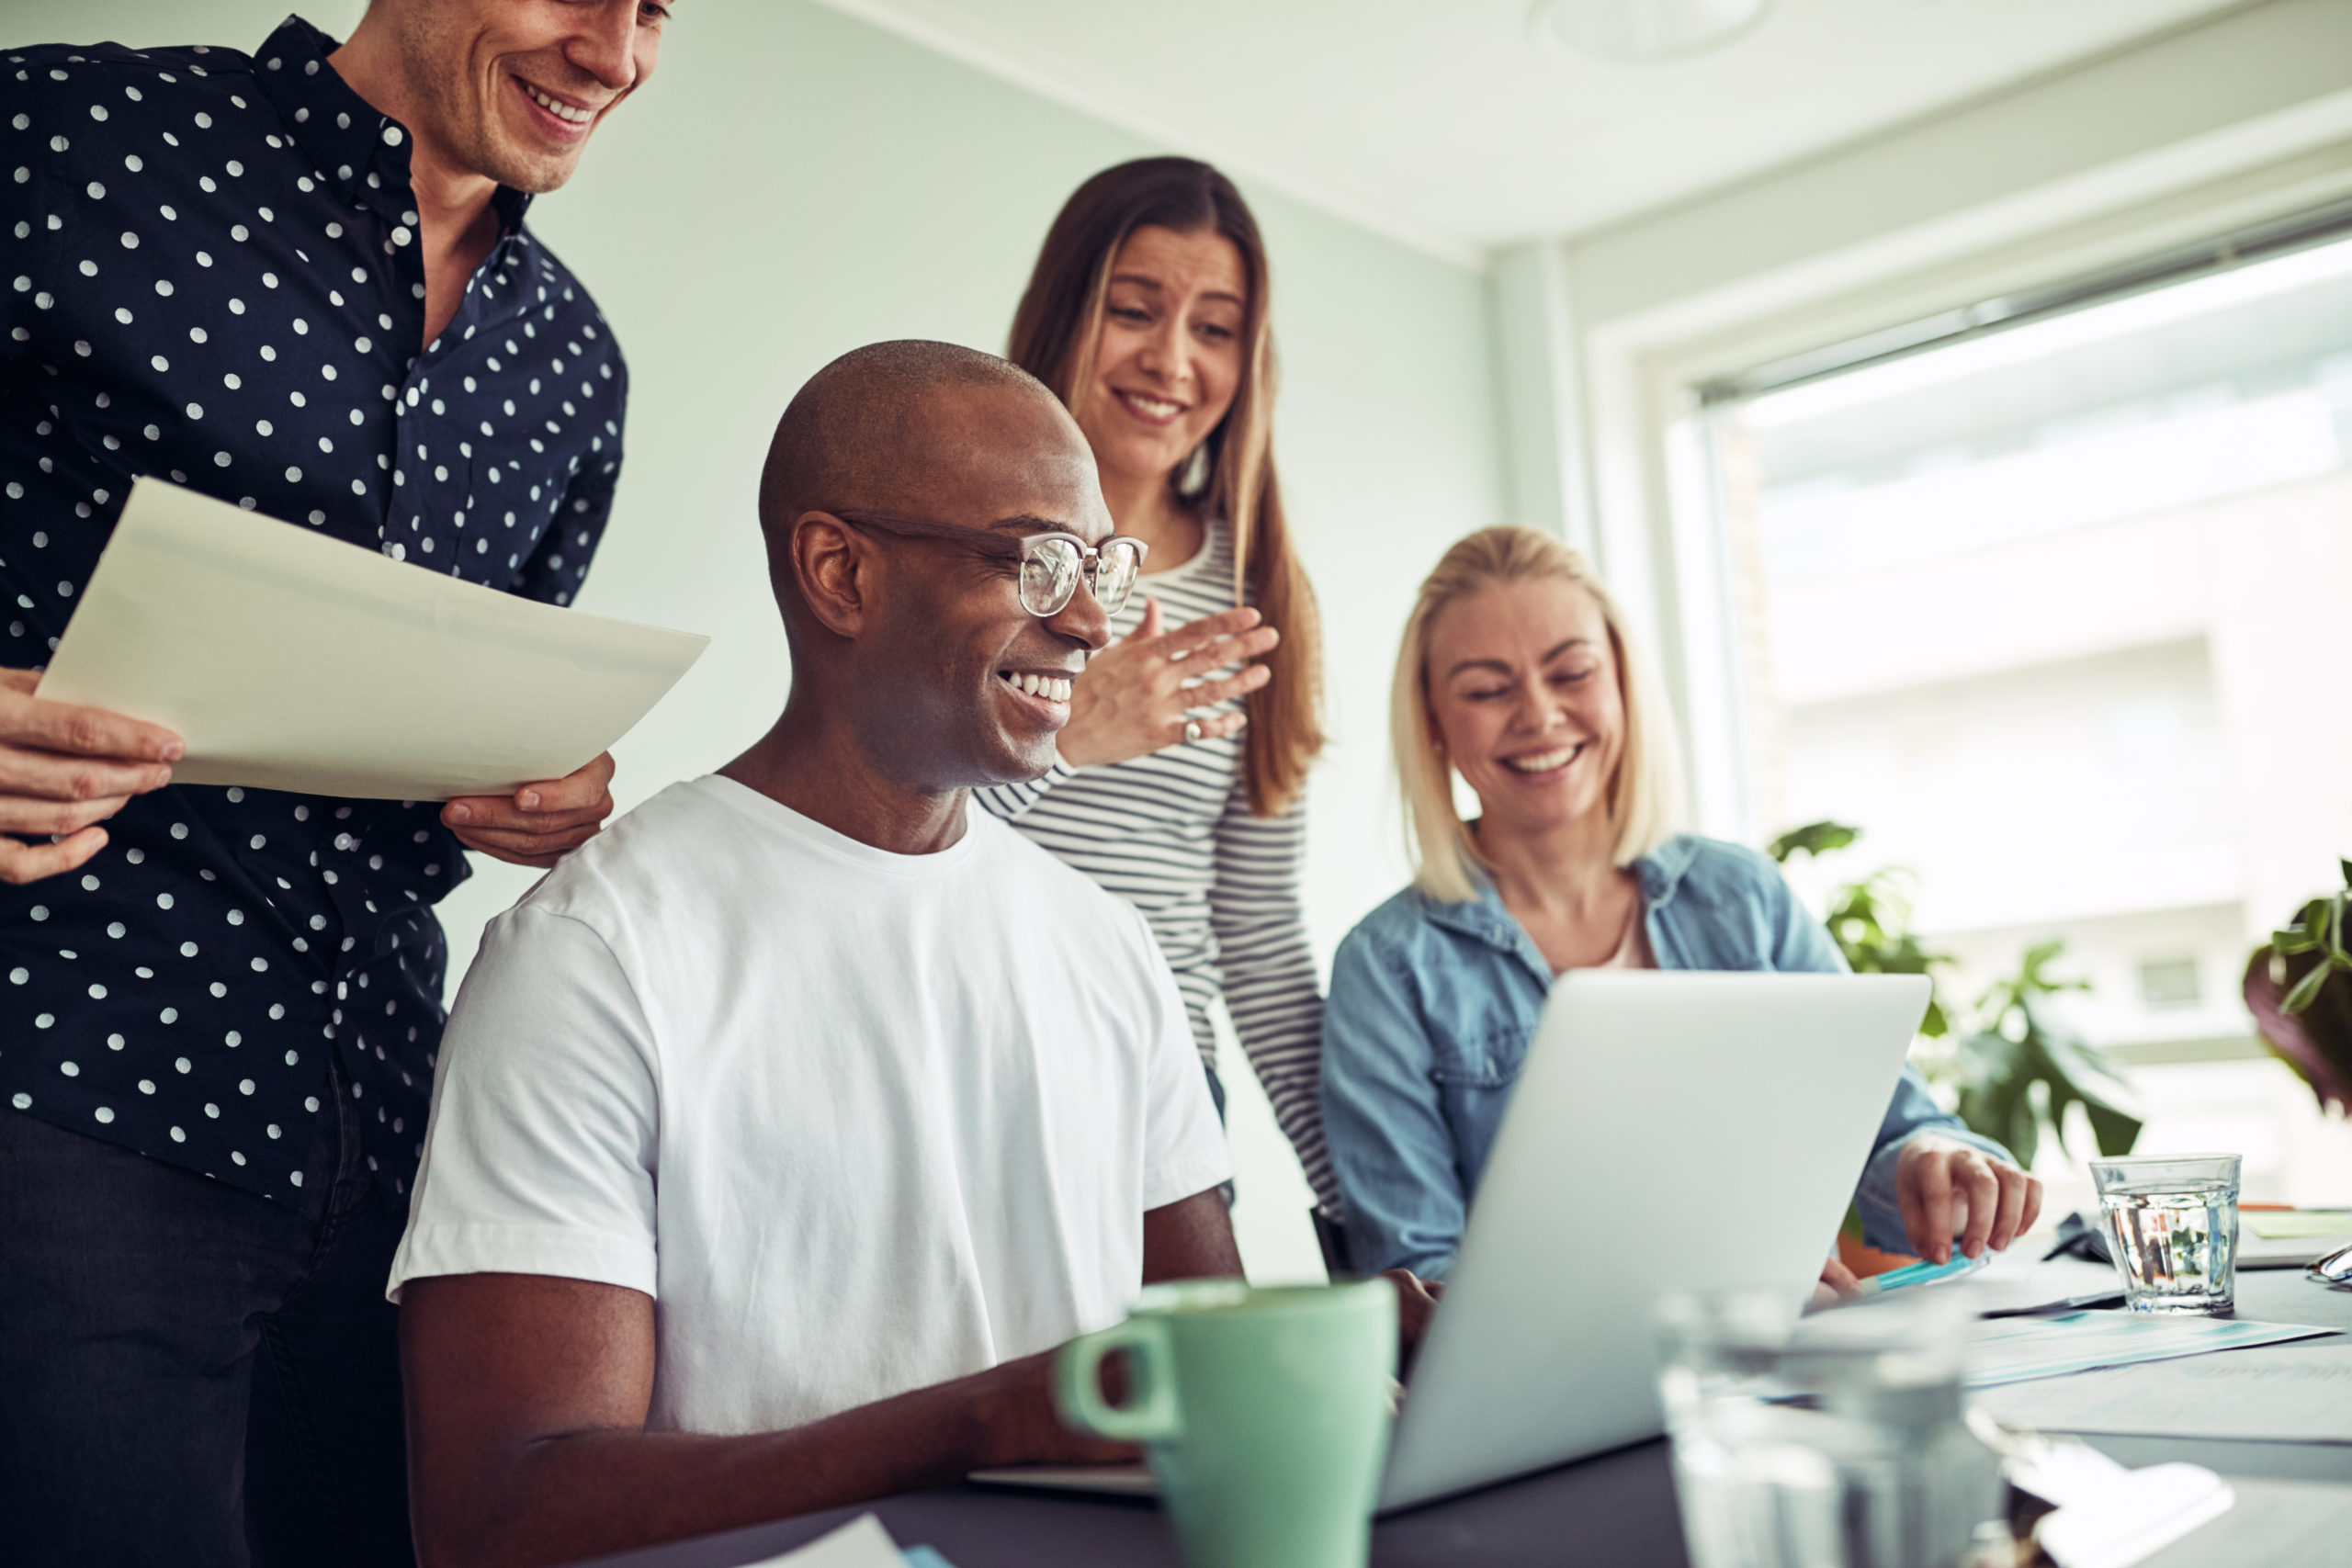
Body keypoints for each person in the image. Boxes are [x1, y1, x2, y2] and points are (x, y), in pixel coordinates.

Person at [390, 342, 1434, 1567]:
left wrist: (1353, 1351)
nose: (1094, 617)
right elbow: (498, 1514)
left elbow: (1189, 1379)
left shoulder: (1102, 944)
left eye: (1100, 559)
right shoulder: (593, 953)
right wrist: (987, 1418)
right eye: (1041, 557)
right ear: (840, 571)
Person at [0, 4, 670, 1561]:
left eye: (656, 11)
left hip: (400, 1151)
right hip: (69, 1088)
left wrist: (536, 792)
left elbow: (469, 715)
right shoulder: (69, 146)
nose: (614, 53)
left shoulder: (576, 366)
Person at [1322, 526, 2042, 1283]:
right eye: (1487, 690)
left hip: (1793, 1363)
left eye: (1571, 672)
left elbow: (1894, 1130)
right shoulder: (1389, 967)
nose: (1538, 714)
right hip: (1567, 1395)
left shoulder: (1743, 898)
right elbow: (1416, 1275)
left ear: (1623, 685)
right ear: (1433, 721)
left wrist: (1937, 1163)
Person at [978, 158, 1340, 1218]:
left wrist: (1358, 1211)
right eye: (1134, 310)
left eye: (1216, 328)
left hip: (1169, 1102)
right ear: (1063, 315)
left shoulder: (1260, 587)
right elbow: (871, 818)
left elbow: (1259, 928)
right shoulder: (962, 545)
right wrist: (1063, 733)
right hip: (967, 1066)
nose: (1172, 360)